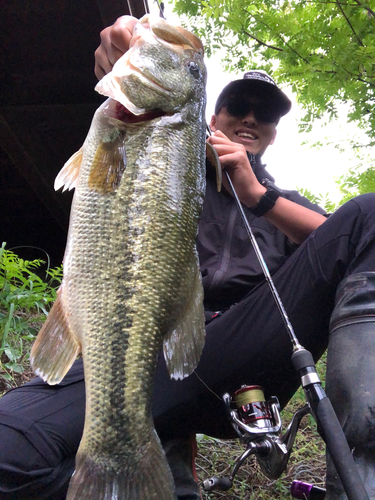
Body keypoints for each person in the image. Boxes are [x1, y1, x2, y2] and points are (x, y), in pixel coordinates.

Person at [1, 15, 375, 500]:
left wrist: (257, 195)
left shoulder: (283, 201)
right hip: (137, 347)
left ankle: (359, 473)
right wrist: (120, 54)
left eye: (264, 116)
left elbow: (354, 242)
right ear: (211, 118)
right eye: (237, 106)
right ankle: (147, 474)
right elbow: (128, 107)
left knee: (368, 213)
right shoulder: (163, 141)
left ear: (272, 135)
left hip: (245, 350)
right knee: (10, 449)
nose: (249, 119)